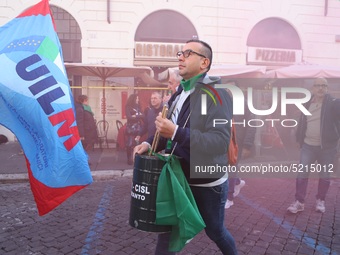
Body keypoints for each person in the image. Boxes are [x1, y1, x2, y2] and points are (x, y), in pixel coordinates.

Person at [134, 39, 238, 255]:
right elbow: (167, 129)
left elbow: (219, 142)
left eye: (188, 53)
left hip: (207, 181)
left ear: (204, 62)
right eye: (180, 53)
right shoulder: (179, 93)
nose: (180, 57)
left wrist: (175, 132)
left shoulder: (218, 95)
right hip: (180, 176)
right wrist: (148, 143)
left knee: (215, 232)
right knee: (169, 231)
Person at [287, 77, 340, 214]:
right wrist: (299, 138)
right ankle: (299, 202)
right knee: (302, 173)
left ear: (327, 88)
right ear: (313, 88)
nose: (320, 88)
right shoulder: (306, 103)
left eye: (323, 85)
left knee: (324, 174)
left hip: (327, 147)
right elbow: (302, 121)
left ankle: (320, 200)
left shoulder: (333, 103)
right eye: (317, 85)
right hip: (308, 145)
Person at [225, 80, 256, 209]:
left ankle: (229, 197)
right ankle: (237, 182)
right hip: (226, 141)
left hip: (238, 142)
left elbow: (252, 123)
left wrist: (247, 145)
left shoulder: (243, 104)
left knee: (231, 168)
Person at [125, 93, 143, 165]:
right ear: (133, 99)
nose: (138, 100)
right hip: (130, 127)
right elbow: (129, 117)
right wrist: (138, 115)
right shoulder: (128, 107)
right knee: (129, 144)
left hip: (138, 127)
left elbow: (143, 115)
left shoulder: (138, 106)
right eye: (137, 98)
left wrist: (135, 115)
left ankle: (135, 158)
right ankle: (129, 158)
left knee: (137, 143)